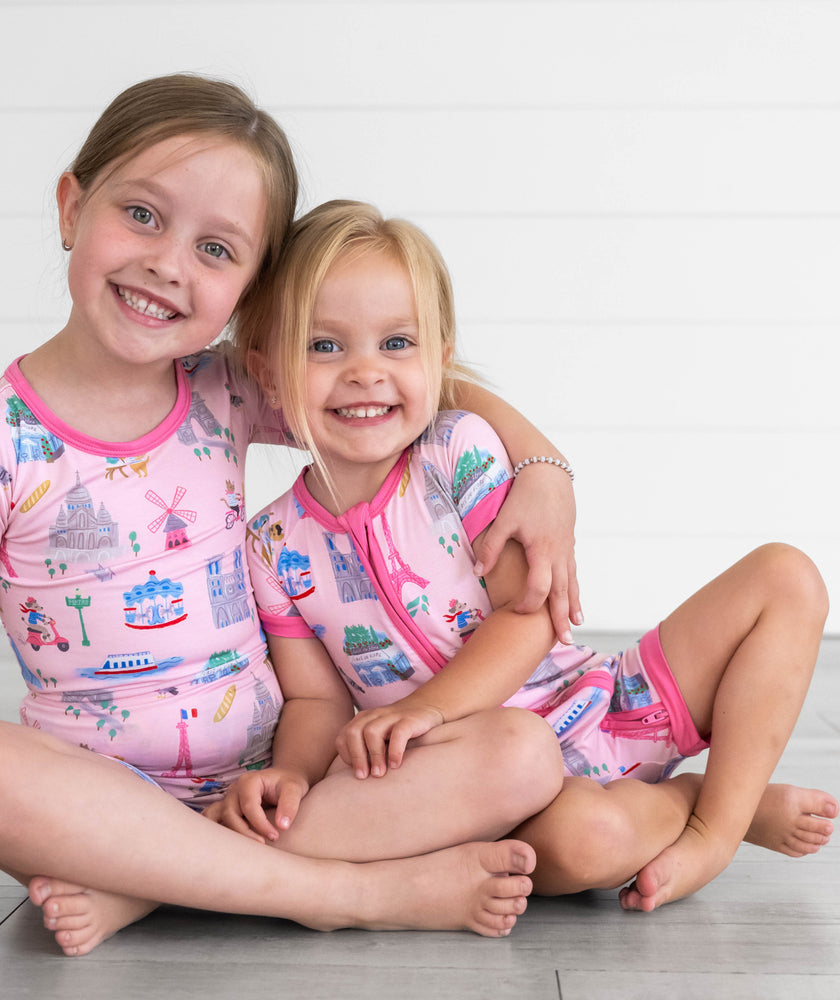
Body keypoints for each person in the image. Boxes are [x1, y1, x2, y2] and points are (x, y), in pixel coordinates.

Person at [0, 75, 582, 955]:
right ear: (72, 205)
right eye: (144, 215)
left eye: (218, 250)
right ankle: (353, 895)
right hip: (94, 797)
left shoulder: (226, 386)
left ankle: (158, 887)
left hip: (284, 779)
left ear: (253, 292)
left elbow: (410, 388)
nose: (169, 265)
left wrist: (544, 471)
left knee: (520, 754)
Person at [215, 198, 837, 913]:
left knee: (787, 577)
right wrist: (292, 772)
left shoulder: (457, 451)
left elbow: (530, 613)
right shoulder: (270, 544)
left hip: (607, 705)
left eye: (396, 343)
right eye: (324, 346)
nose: (364, 372)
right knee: (589, 844)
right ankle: (688, 800)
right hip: (500, 781)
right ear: (266, 375)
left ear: (441, 358)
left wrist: (427, 709)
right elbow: (316, 697)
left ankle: (718, 828)